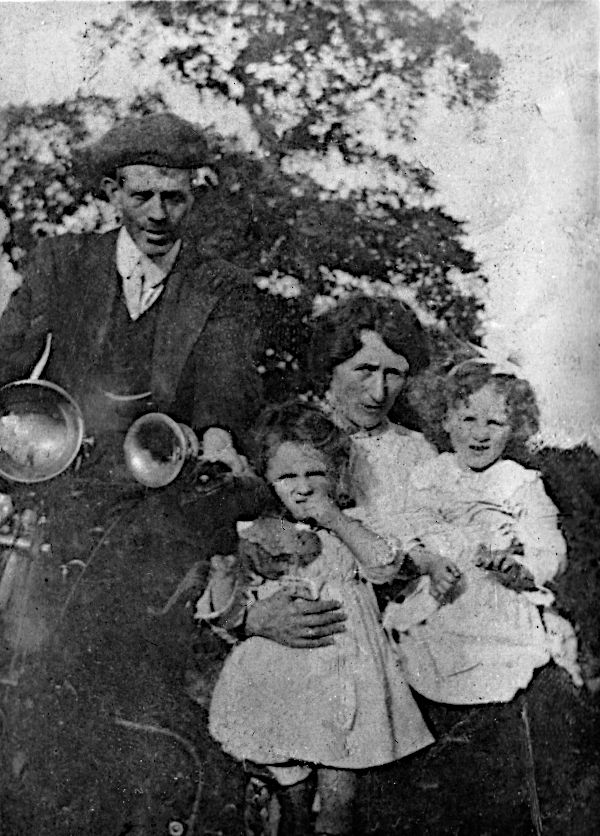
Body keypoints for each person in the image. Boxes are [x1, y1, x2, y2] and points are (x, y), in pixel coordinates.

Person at [197, 402, 434, 836]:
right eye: (287, 477)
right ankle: (289, 803)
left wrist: (334, 518)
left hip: (348, 679)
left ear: (336, 475)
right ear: (267, 479)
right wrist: (224, 577)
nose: (303, 489)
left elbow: (385, 565)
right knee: (285, 781)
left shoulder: (350, 526)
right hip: (283, 682)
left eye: (315, 475)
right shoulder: (259, 533)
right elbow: (228, 616)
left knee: (340, 800)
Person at [0, 112, 262, 449]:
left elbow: (224, 384)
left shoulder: (221, 284)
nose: (158, 215)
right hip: (62, 458)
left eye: (173, 198)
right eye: (142, 196)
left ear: (193, 196)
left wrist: (217, 437)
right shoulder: (62, 262)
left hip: (165, 464)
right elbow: (10, 351)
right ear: (114, 194)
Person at [241, 294, 459, 649]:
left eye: (394, 374)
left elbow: (437, 545)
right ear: (331, 366)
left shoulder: (417, 451)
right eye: (365, 370)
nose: (378, 392)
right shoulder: (287, 436)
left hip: (395, 635)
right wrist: (252, 616)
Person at [383, 359, 583, 704]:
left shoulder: (517, 481)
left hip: (498, 599)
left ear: (514, 428)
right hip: (439, 594)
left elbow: (549, 544)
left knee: (505, 675)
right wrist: (427, 559)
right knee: (417, 660)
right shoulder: (429, 475)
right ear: (446, 420)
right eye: (468, 419)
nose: (480, 433)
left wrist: (521, 567)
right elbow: (406, 528)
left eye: (495, 422)